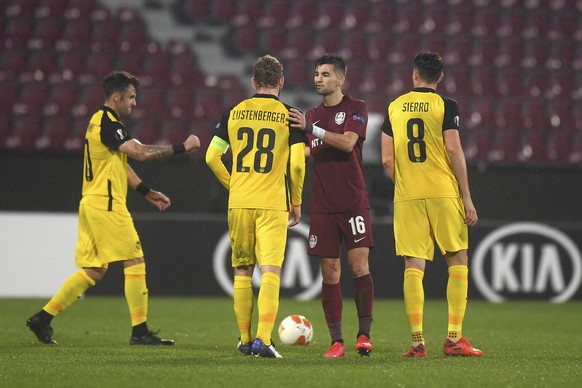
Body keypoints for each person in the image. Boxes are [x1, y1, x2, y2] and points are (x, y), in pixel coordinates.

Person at [26, 71, 201, 345]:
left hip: (91, 204)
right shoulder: (108, 123)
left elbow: (122, 164)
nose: (135, 103)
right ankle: (140, 332)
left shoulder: (99, 122)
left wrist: (146, 192)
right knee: (134, 261)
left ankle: (42, 319)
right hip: (107, 206)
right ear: (116, 97)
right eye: (131, 97)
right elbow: (140, 153)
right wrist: (183, 147)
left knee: (94, 270)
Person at [380, 52, 482, 358]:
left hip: (407, 195)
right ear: (440, 78)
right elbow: (453, 148)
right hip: (442, 192)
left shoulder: (394, 106)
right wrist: (466, 196)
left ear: (413, 76)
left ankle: (416, 342)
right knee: (457, 258)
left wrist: (406, 184)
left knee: (413, 265)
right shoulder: (446, 105)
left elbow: (387, 158)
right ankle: (453, 338)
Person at [205, 55, 307, 358]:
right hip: (272, 203)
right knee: (271, 271)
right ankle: (264, 339)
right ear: (281, 82)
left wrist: (234, 184)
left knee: (242, 271)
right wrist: (296, 201)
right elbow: (298, 165)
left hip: (240, 203)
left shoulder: (233, 112)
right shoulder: (290, 115)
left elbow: (212, 156)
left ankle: (246, 339)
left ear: (253, 82)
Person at [288, 53, 374, 358]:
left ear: (341, 78)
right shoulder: (310, 115)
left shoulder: (355, 108)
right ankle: (336, 341)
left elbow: (348, 142)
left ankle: (364, 335)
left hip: (353, 201)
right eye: (315, 74)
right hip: (323, 204)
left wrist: (311, 130)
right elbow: (305, 155)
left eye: (325, 74)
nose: (318, 79)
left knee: (359, 265)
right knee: (330, 271)